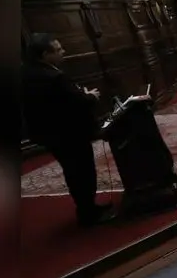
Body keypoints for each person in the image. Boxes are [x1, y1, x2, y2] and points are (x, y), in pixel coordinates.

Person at [21, 33, 115, 226]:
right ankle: (88, 214)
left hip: (50, 134)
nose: (63, 51)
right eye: (58, 49)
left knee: (72, 171)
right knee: (82, 172)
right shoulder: (55, 76)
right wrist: (90, 96)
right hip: (70, 133)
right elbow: (76, 102)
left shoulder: (26, 73)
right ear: (45, 54)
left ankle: (87, 208)